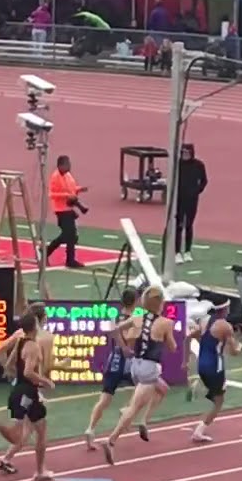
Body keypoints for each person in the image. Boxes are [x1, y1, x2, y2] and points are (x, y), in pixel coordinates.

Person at [0, 304, 57, 476]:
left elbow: (7, 357)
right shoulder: (42, 340)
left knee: (30, 430)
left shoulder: (20, 338)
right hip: (30, 390)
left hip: (20, 387)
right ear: (38, 321)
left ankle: (10, 460)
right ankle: (40, 470)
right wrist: (46, 382)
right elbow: (37, 369)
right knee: (32, 433)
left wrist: (10, 373)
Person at [102, 286, 175, 464]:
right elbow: (173, 348)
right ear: (159, 303)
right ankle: (111, 440)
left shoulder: (137, 317)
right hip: (149, 367)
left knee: (162, 389)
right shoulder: (165, 323)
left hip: (135, 366)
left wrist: (124, 346)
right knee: (134, 407)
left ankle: (144, 421)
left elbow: (113, 329)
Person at [84, 288, 139, 450]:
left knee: (105, 398)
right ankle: (127, 410)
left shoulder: (114, 316)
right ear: (135, 300)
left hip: (113, 360)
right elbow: (130, 342)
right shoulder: (135, 319)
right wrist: (127, 349)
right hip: (128, 361)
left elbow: (112, 334)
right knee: (145, 388)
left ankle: (91, 428)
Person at [186, 306, 241, 443]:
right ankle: (199, 431)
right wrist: (239, 347)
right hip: (216, 367)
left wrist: (185, 360)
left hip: (201, 364)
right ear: (225, 309)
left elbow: (188, 338)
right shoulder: (225, 326)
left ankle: (201, 388)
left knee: (216, 395)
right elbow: (234, 351)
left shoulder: (204, 321)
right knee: (219, 401)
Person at [45, 155, 87, 268]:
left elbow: (71, 189)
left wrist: (79, 189)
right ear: (60, 165)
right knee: (69, 235)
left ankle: (51, 253)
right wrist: (66, 195)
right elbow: (52, 194)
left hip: (69, 208)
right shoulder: (55, 177)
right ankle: (66, 258)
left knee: (69, 236)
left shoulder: (68, 176)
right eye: (67, 164)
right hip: (61, 210)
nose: (69, 166)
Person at [174, 143, 208, 264]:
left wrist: (196, 191)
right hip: (178, 199)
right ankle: (177, 252)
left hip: (192, 200)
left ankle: (187, 251)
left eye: (187, 153)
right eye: (183, 152)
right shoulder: (177, 165)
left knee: (189, 225)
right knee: (178, 225)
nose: (185, 155)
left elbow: (204, 181)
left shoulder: (198, 165)